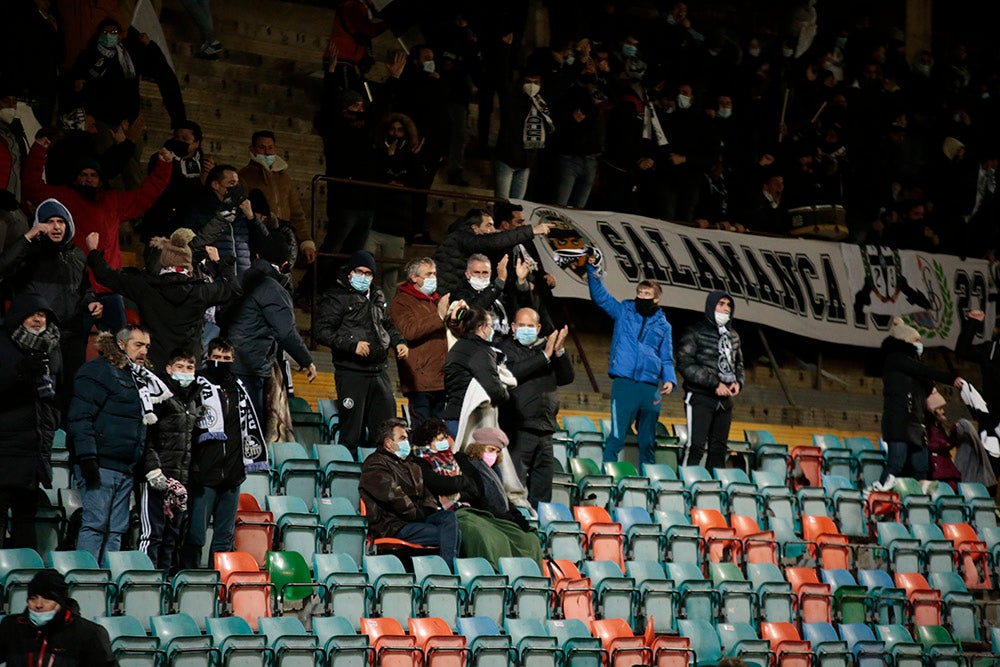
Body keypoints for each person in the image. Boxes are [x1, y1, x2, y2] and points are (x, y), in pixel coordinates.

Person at [23, 136, 174, 331]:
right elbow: (32, 186)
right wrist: (38, 153)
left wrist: (164, 166)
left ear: (100, 180)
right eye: (83, 174)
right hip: (75, 287)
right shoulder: (64, 197)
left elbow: (146, 194)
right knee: (75, 341)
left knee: (119, 341)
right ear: (76, 177)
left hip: (109, 285)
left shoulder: (113, 200)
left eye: (93, 175)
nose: (88, 179)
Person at [68, 324, 170, 563]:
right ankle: (86, 584)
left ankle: (106, 588)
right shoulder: (97, 371)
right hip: (100, 464)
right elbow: (80, 416)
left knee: (116, 530)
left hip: (126, 467)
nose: (144, 351)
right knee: (95, 525)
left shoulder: (138, 379)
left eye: (147, 346)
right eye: (138, 345)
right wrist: (87, 458)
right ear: (121, 345)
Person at [85, 228, 240, 371]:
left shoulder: (144, 287)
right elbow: (234, 289)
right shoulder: (200, 292)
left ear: (163, 262)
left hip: (155, 367)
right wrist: (219, 263)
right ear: (188, 263)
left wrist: (92, 251)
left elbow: (106, 275)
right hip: (188, 368)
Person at [0, 198, 101, 409]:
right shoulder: (28, 252)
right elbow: (3, 267)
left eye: (61, 221)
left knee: (71, 393)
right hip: (37, 337)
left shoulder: (77, 254)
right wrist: (28, 237)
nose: (56, 226)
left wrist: (91, 302)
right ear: (40, 225)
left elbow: (85, 289)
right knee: (41, 396)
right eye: (50, 221)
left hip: (71, 335)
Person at [410, 421, 544, 569]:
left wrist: (458, 491)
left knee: (529, 538)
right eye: (440, 439)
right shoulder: (419, 462)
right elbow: (438, 483)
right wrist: (462, 482)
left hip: (473, 511)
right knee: (490, 536)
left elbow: (474, 490)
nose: (446, 442)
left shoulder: (456, 459)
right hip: (450, 514)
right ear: (427, 442)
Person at [181, 338, 266, 569]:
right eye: (217, 358)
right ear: (208, 358)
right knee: (196, 534)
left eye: (226, 359)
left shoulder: (239, 389)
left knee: (224, 537)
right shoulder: (196, 386)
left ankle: (216, 583)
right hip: (204, 475)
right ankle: (188, 577)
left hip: (232, 475)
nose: (222, 363)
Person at [314, 250, 407, 451]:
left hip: (379, 372)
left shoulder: (377, 295)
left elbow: (387, 325)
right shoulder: (336, 297)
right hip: (351, 373)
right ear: (350, 273)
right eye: (358, 271)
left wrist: (398, 341)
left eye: (368, 273)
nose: (363, 276)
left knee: (385, 432)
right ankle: (346, 478)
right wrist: (351, 345)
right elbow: (321, 331)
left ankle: (380, 475)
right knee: (351, 434)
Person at [587, 258, 676, 464]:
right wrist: (592, 269)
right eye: (639, 293)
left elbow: (666, 356)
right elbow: (600, 297)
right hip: (624, 384)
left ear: (657, 300)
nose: (641, 297)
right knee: (616, 438)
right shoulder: (624, 312)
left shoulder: (665, 326)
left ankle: (648, 485)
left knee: (647, 441)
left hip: (649, 387)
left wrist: (669, 379)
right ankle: (607, 482)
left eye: (647, 294)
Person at [222, 234, 317, 422]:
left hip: (225, 361)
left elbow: (220, 315)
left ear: (256, 256)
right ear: (284, 265)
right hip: (249, 366)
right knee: (250, 429)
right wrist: (306, 360)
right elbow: (285, 331)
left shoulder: (238, 279)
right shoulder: (272, 289)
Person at [0, 293, 61, 549]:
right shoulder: (3, 343)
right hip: (4, 449)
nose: (38, 320)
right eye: (33, 314)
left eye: (43, 315)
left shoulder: (53, 348)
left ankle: (24, 579)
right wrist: (22, 371)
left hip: (34, 452)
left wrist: (53, 420)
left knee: (27, 520)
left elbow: (59, 393)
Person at [358, 418, 461, 569]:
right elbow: (393, 495)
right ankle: (446, 573)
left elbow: (427, 494)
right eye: (402, 438)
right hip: (392, 525)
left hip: (415, 520)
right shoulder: (375, 464)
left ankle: (444, 570)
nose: (407, 442)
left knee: (449, 518)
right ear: (388, 443)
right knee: (450, 535)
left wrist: (427, 510)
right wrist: (416, 514)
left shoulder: (411, 464)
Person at [496, 310, 573, 506]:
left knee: (542, 486)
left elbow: (566, 378)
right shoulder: (506, 349)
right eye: (522, 325)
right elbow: (512, 373)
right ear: (513, 328)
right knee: (514, 484)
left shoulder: (546, 350)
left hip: (545, 428)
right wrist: (545, 356)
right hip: (518, 428)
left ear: (538, 329)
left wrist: (559, 351)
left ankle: (539, 526)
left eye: (531, 326)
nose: (526, 330)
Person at [879, 317, 962, 486]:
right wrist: (950, 378)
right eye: (916, 340)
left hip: (916, 424)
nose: (919, 344)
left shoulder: (913, 365)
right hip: (898, 423)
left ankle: (917, 505)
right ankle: (877, 499)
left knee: (921, 467)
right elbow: (925, 371)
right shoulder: (895, 359)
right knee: (895, 464)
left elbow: (926, 381)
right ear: (905, 341)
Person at [139, 348, 198, 572]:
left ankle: (163, 584)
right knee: (152, 534)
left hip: (180, 479)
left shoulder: (192, 401)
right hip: (157, 477)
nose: (185, 372)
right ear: (169, 369)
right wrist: (154, 470)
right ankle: (146, 583)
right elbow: (148, 437)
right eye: (180, 367)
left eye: (189, 368)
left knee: (171, 537)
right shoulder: (159, 397)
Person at [677, 291, 745, 470]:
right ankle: (687, 489)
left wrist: (738, 382)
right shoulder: (695, 331)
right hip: (700, 397)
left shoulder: (734, 335)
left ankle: (712, 493)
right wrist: (715, 383)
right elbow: (685, 364)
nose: (725, 308)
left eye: (728, 305)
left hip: (725, 402)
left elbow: (738, 364)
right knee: (696, 447)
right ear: (711, 305)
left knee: (718, 449)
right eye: (721, 304)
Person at [388, 257, 453, 429]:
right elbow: (409, 331)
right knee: (422, 431)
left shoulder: (435, 301)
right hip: (419, 381)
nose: (434, 278)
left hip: (440, 379)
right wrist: (438, 316)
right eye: (428, 274)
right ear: (414, 277)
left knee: (438, 433)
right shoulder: (401, 302)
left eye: (435, 274)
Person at [0, 569, 115, 666]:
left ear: (60, 602)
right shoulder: (11, 627)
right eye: (33, 598)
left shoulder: (88, 633)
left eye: (47, 599)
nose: (38, 605)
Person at [433, 208, 550, 296]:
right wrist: (532, 230)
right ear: (474, 227)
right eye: (489, 225)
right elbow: (493, 241)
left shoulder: (468, 240)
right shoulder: (461, 237)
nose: (493, 230)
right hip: (442, 294)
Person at [237, 130, 314, 263]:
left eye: (270, 148)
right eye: (262, 147)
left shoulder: (284, 179)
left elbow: (297, 213)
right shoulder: (244, 176)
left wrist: (306, 242)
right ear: (252, 149)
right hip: (259, 237)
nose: (267, 152)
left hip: (284, 237)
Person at [443, 307, 511, 438]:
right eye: (491, 326)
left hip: (454, 414)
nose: (492, 330)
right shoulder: (480, 351)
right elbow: (493, 389)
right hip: (468, 419)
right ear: (483, 327)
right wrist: (506, 395)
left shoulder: (459, 347)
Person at [925, 391, 963, 492]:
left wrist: (954, 432)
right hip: (939, 470)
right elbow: (939, 445)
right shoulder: (929, 428)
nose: (943, 412)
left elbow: (947, 443)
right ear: (933, 411)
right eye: (940, 408)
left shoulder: (938, 427)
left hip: (946, 468)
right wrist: (954, 432)